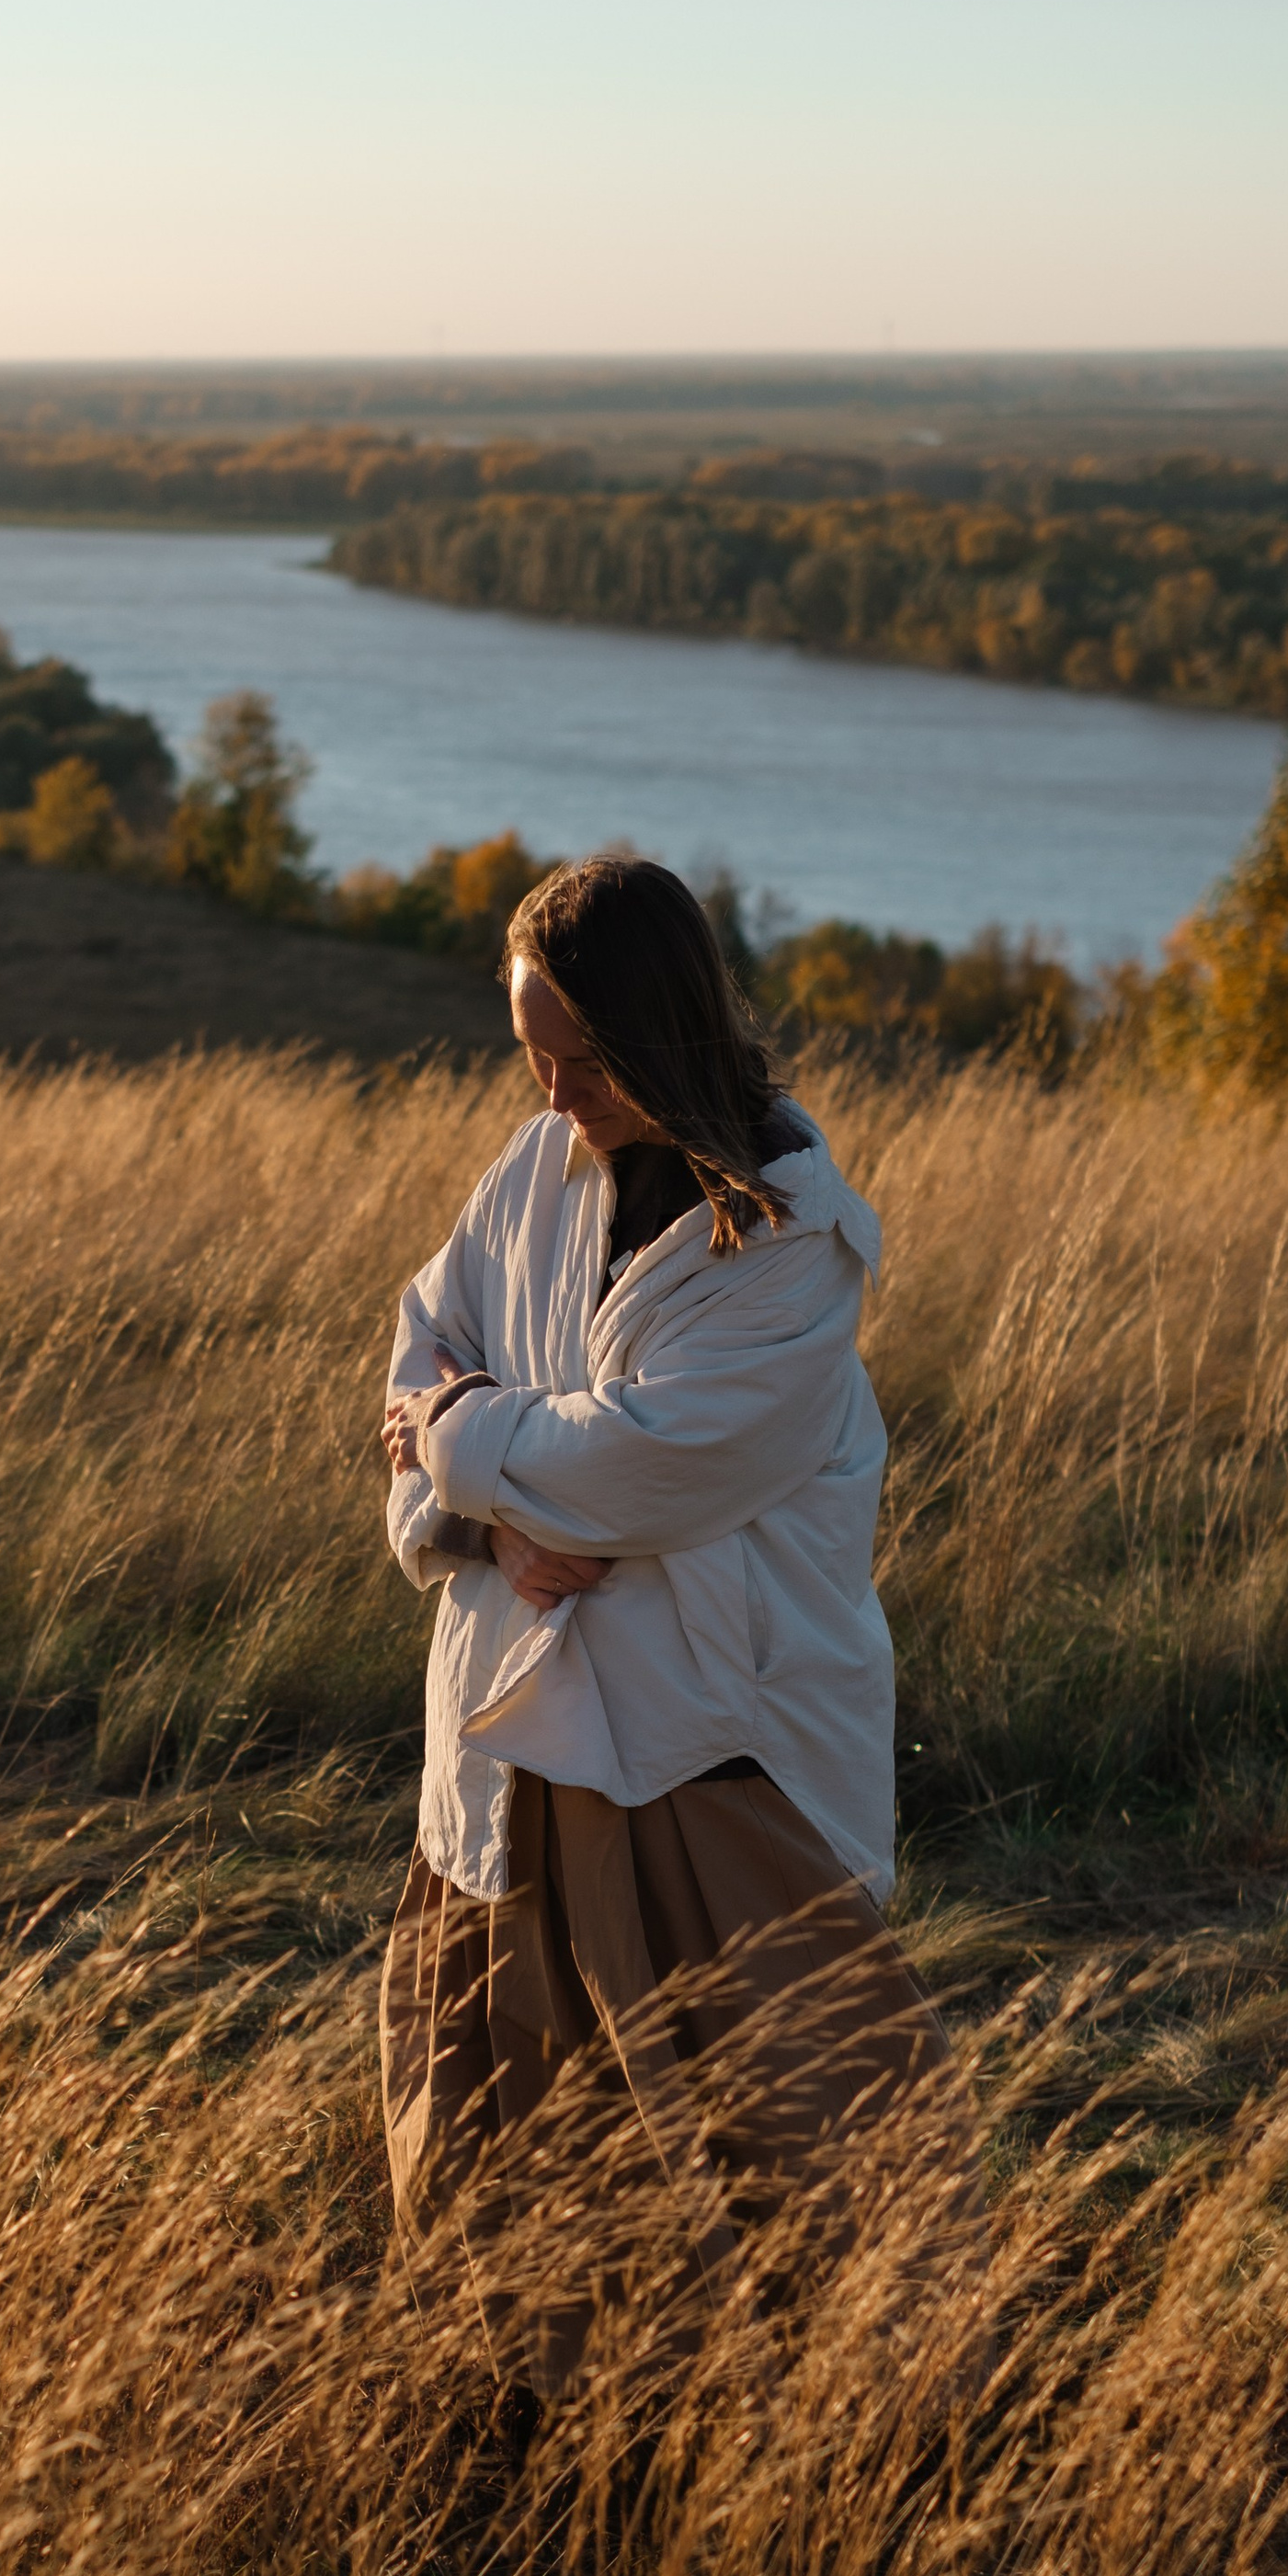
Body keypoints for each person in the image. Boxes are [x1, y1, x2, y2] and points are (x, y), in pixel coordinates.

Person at [380, 852, 974, 2398]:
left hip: (706, 1750)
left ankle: (848, 2452)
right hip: (513, 1731)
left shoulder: (786, 1249)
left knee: (789, 2144)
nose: (553, 1091)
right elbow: (419, 1353)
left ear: (660, 1026)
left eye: (581, 1058)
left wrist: (464, 1443)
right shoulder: (535, 1171)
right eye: (533, 1054)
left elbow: (634, 1470)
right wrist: (488, 1515)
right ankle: (541, 2445)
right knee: (506, 2134)